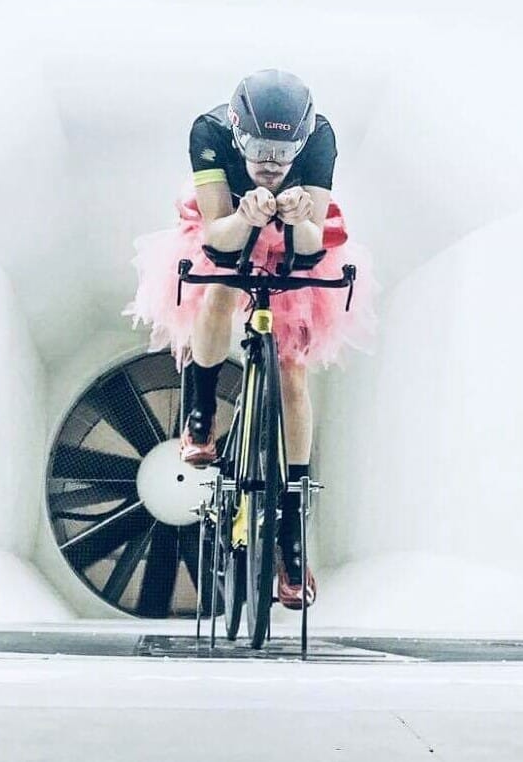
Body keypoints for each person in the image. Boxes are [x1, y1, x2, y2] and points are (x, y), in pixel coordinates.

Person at [126, 69, 377, 609]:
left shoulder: (320, 140)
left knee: (292, 370)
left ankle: (291, 525)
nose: (269, 162)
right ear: (237, 133)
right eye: (259, 148)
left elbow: (310, 248)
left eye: (284, 152)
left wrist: (297, 218)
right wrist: (245, 216)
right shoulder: (208, 133)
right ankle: (201, 413)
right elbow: (215, 236)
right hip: (228, 231)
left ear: (303, 141)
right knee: (216, 284)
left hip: (292, 244)